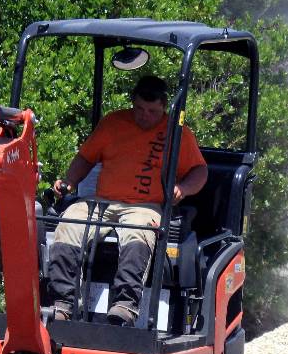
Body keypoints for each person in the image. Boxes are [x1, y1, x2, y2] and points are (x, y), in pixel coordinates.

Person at [48, 75, 208, 326]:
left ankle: (124, 306)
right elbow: (86, 158)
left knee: (139, 234)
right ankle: (64, 304)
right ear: (132, 102)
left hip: (144, 207)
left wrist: (183, 188)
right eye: (140, 109)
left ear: (164, 107)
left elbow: (200, 170)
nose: (145, 116)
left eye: (152, 111)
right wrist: (69, 181)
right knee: (68, 224)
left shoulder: (178, 133)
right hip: (101, 201)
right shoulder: (113, 122)